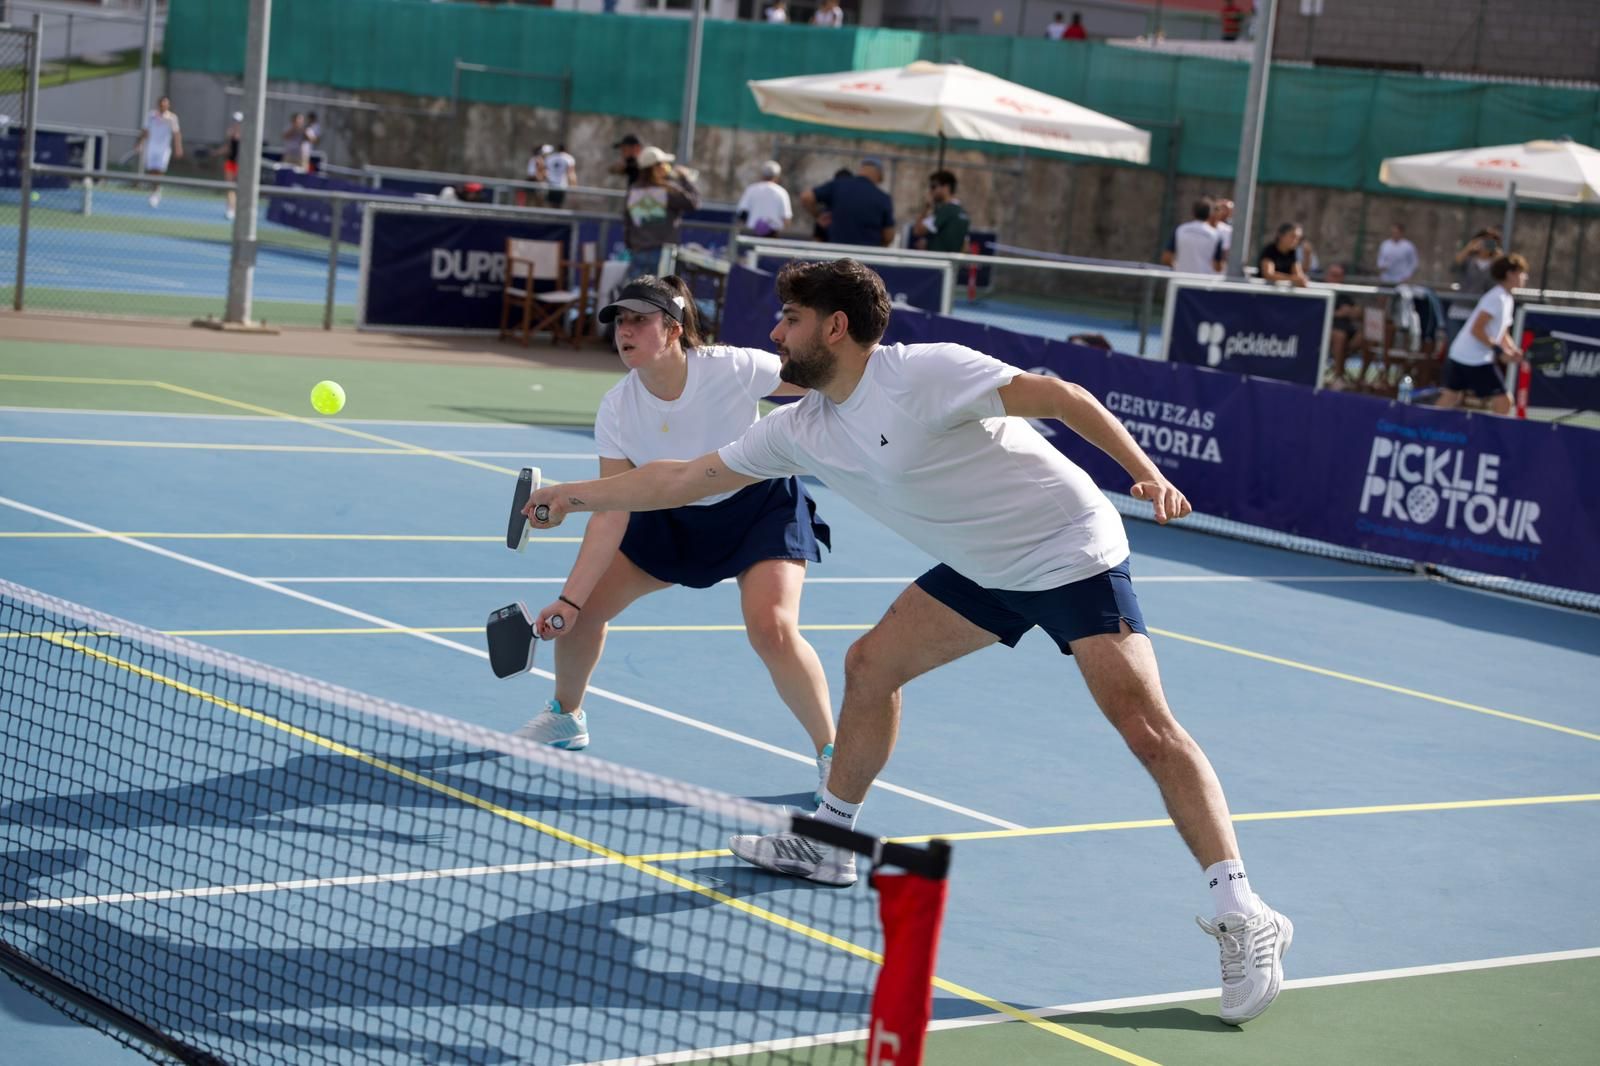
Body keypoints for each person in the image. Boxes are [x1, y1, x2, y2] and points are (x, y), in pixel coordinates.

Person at [523, 258, 1293, 1027]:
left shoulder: (925, 374)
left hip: (1068, 551)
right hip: (981, 567)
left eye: (789, 319)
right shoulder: (800, 427)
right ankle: (830, 838)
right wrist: (570, 494)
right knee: (869, 664)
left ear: (835, 327)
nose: (773, 331)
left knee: (1146, 728)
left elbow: (1061, 395)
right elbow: (683, 478)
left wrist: (1145, 474)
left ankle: (1244, 911)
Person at [515, 273, 837, 799]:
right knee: (584, 614)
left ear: (673, 328)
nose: (625, 331)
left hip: (758, 508)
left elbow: (820, 382)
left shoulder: (732, 367)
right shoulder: (617, 407)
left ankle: (832, 755)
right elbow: (611, 508)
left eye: (639, 320)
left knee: (772, 627)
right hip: (669, 515)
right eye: (620, 320)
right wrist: (570, 601)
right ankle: (567, 715)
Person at [1439, 253, 1528, 414]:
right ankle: (1496, 438)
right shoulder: (1497, 298)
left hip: (1464, 354)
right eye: (1521, 273)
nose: (1524, 277)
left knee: (1451, 397)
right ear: (1510, 274)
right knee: (1504, 402)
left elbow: (1503, 332)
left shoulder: (1507, 299)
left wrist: (1512, 349)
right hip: (1472, 357)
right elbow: (1476, 329)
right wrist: (1499, 351)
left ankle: (1424, 428)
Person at [623, 145, 700, 279]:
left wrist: (631, 245)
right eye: (663, 163)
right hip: (662, 254)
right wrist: (685, 179)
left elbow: (627, 221)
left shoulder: (634, 190)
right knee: (662, 296)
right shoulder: (667, 190)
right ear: (655, 167)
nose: (666, 166)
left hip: (638, 252)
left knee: (635, 295)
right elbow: (694, 203)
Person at [801, 158, 894, 249]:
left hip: (837, 256)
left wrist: (818, 216)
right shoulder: (883, 198)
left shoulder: (838, 185)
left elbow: (806, 197)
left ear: (861, 169)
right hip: (866, 258)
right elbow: (888, 236)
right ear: (878, 174)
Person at [1321, 263, 1366, 386]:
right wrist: (1337, 313)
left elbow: (1358, 312)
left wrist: (1353, 312)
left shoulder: (1345, 295)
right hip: (1328, 332)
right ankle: (1338, 376)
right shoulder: (1320, 292)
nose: (1336, 279)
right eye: (1333, 275)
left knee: (1368, 335)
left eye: (1339, 276)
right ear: (1326, 276)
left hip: (1348, 332)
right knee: (1339, 336)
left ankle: (1361, 379)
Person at [135, 95, 182, 208]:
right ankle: (154, 189)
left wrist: (178, 148)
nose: (163, 106)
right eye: (162, 104)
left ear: (168, 105)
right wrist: (140, 143)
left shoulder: (172, 118)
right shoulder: (151, 115)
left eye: (165, 104)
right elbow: (145, 130)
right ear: (159, 104)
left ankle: (156, 191)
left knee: (159, 170)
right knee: (152, 170)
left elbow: (176, 134)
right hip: (151, 147)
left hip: (164, 149)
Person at [1448, 227, 1500, 327]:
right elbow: (1453, 267)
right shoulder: (1468, 260)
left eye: (1492, 241)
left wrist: (1499, 259)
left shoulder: (1496, 263)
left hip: (1482, 313)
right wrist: (1469, 247)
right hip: (1459, 311)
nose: (1487, 243)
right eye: (1485, 240)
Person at [911, 170, 970, 253]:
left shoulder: (944, 211)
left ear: (946, 187)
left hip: (937, 262)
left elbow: (917, 230)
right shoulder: (963, 213)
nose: (931, 191)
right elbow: (965, 247)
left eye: (933, 186)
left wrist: (926, 207)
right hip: (951, 263)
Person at [1162, 197, 1224, 275]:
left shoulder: (1180, 230)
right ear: (1210, 214)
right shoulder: (1216, 235)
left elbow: (1166, 258)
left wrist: (1178, 268)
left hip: (1180, 280)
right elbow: (1218, 267)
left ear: (1193, 212)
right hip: (1203, 282)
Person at [736, 160, 793, 237]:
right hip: (772, 234)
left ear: (762, 175)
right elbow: (786, 218)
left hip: (752, 233)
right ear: (777, 176)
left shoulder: (751, 189)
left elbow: (742, 213)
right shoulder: (781, 192)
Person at [1258, 223, 1309, 287]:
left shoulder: (1292, 252)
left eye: (1298, 238)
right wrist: (1292, 279)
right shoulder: (1270, 250)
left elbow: (1299, 275)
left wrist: (1301, 280)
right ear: (1281, 235)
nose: (1295, 241)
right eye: (1293, 236)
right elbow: (1268, 274)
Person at [222, 110, 242, 221]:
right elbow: (228, 148)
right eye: (235, 120)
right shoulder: (230, 132)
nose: (236, 123)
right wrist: (214, 153)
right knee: (230, 187)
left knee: (239, 188)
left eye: (238, 121)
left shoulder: (247, 134)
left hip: (241, 165)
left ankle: (236, 209)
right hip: (231, 163)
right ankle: (230, 209)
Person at [543, 143, 576, 208]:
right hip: (561, 184)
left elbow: (545, 171)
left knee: (551, 203)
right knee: (558, 204)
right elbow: (571, 173)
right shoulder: (568, 158)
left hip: (551, 183)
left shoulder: (551, 157)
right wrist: (573, 185)